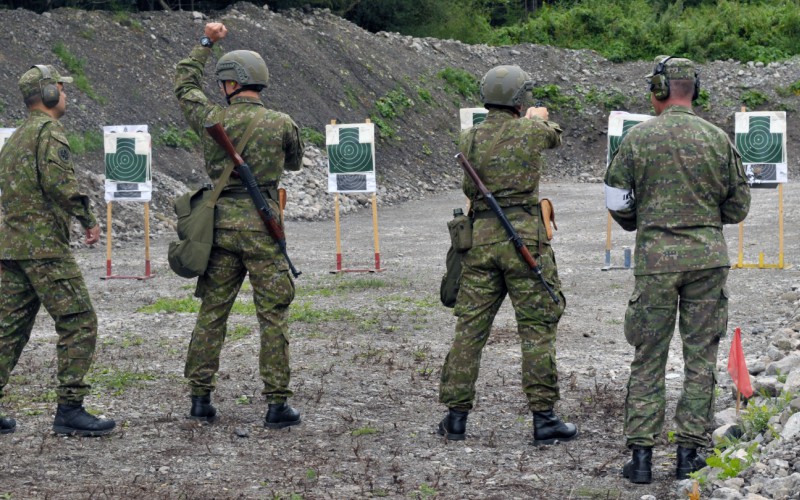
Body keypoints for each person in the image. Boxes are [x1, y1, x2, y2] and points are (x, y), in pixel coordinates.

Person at [604, 56, 751, 483]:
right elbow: (739, 205)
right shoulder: (719, 140)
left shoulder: (637, 139)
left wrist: (641, 222)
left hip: (654, 262)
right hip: (707, 260)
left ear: (660, 90)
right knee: (700, 357)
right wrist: (704, 221)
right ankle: (689, 454)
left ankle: (643, 459)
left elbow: (616, 199)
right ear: (695, 91)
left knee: (648, 355)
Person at [437, 65, 578, 445]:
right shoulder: (532, 131)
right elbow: (555, 138)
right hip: (523, 240)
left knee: (470, 329)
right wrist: (538, 118)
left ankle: (455, 417)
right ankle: (544, 417)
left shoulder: (468, 137)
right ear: (519, 101)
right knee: (536, 329)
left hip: (480, 240)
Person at [174, 22, 304, 428]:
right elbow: (295, 162)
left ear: (231, 83)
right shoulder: (283, 122)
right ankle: (276, 403)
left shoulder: (212, 117)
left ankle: (200, 398)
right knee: (273, 315)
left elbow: (183, 84)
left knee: (212, 311)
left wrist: (205, 43)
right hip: (264, 228)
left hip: (220, 228)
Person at [0, 65, 116, 437]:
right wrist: (87, 217)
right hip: (44, 249)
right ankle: (70, 408)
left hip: (12, 246)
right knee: (80, 321)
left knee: (8, 330)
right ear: (49, 94)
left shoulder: (15, 137)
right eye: (62, 90)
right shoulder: (49, 132)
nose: (66, 96)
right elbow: (58, 182)